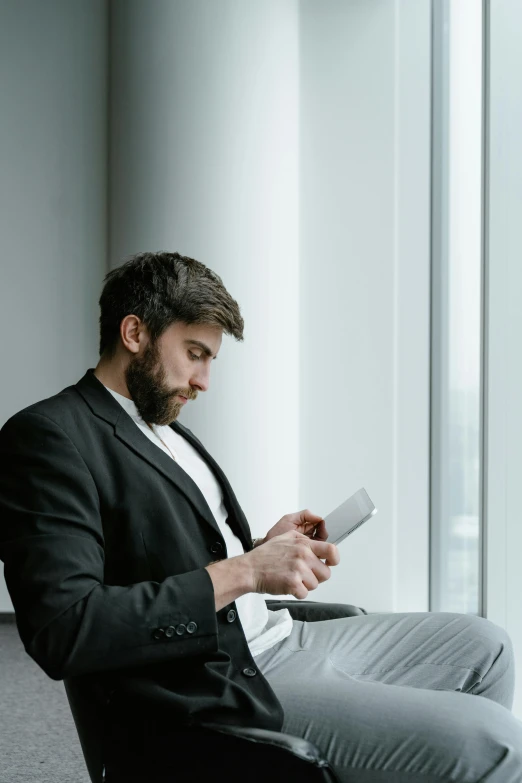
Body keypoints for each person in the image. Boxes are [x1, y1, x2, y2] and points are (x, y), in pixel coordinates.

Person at [0, 251, 521, 783]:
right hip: (222, 676)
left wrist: (256, 548)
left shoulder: (164, 427)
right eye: (194, 353)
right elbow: (65, 629)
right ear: (134, 332)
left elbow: (163, 547)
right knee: (495, 742)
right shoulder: (51, 436)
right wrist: (247, 572)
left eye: (211, 360)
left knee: (487, 646)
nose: (204, 381)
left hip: (281, 635)